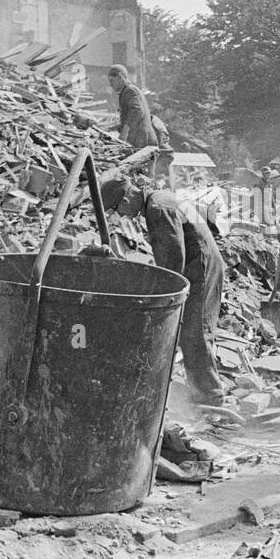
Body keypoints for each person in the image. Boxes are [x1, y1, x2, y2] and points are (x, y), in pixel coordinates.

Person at [100, 172, 227, 405]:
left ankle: (211, 399)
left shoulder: (158, 208)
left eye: (117, 210)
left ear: (126, 199)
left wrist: (161, 296)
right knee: (194, 331)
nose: (120, 216)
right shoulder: (161, 198)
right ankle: (203, 393)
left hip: (199, 266)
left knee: (194, 332)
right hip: (201, 262)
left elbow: (171, 259)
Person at [108, 64, 158, 152]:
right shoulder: (126, 92)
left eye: (112, 80)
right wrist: (110, 128)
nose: (110, 85)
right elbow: (129, 118)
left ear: (121, 77)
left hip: (142, 142)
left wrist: (123, 134)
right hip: (140, 141)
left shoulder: (130, 91)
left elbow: (137, 112)